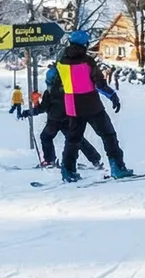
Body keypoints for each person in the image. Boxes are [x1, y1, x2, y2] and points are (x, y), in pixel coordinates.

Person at [53, 30, 131, 182]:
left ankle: (68, 171)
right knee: (108, 135)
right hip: (91, 104)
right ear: (86, 44)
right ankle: (117, 167)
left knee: (73, 140)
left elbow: (57, 85)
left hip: (72, 105)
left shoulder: (61, 62)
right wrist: (113, 96)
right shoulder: (88, 61)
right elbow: (99, 84)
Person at [21, 65, 101, 170]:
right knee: (77, 139)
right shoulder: (69, 90)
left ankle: (50, 160)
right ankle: (95, 160)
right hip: (69, 120)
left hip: (54, 121)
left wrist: (29, 112)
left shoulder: (49, 93)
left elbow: (42, 108)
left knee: (46, 137)